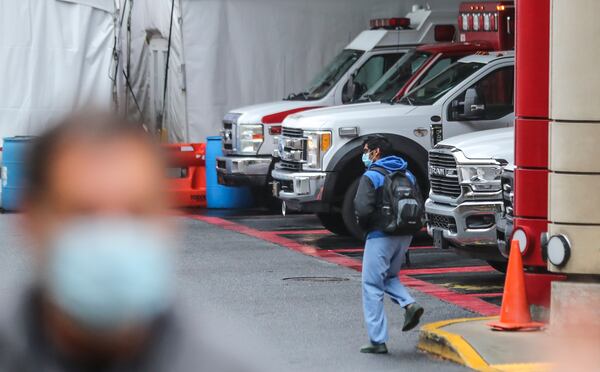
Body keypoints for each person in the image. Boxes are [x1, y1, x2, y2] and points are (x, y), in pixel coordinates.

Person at [0, 111, 244, 371]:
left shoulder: (231, 363)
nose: (111, 237)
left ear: (169, 222)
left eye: (136, 213)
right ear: (31, 220)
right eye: (84, 213)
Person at [354, 135, 424, 354]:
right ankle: (409, 304)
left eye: (366, 151)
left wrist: (366, 227)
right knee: (389, 277)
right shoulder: (408, 174)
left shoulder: (372, 175)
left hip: (380, 235)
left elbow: (362, 208)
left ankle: (377, 340)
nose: (364, 155)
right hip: (405, 235)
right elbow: (419, 202)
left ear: (376, 152)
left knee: (372, 285)